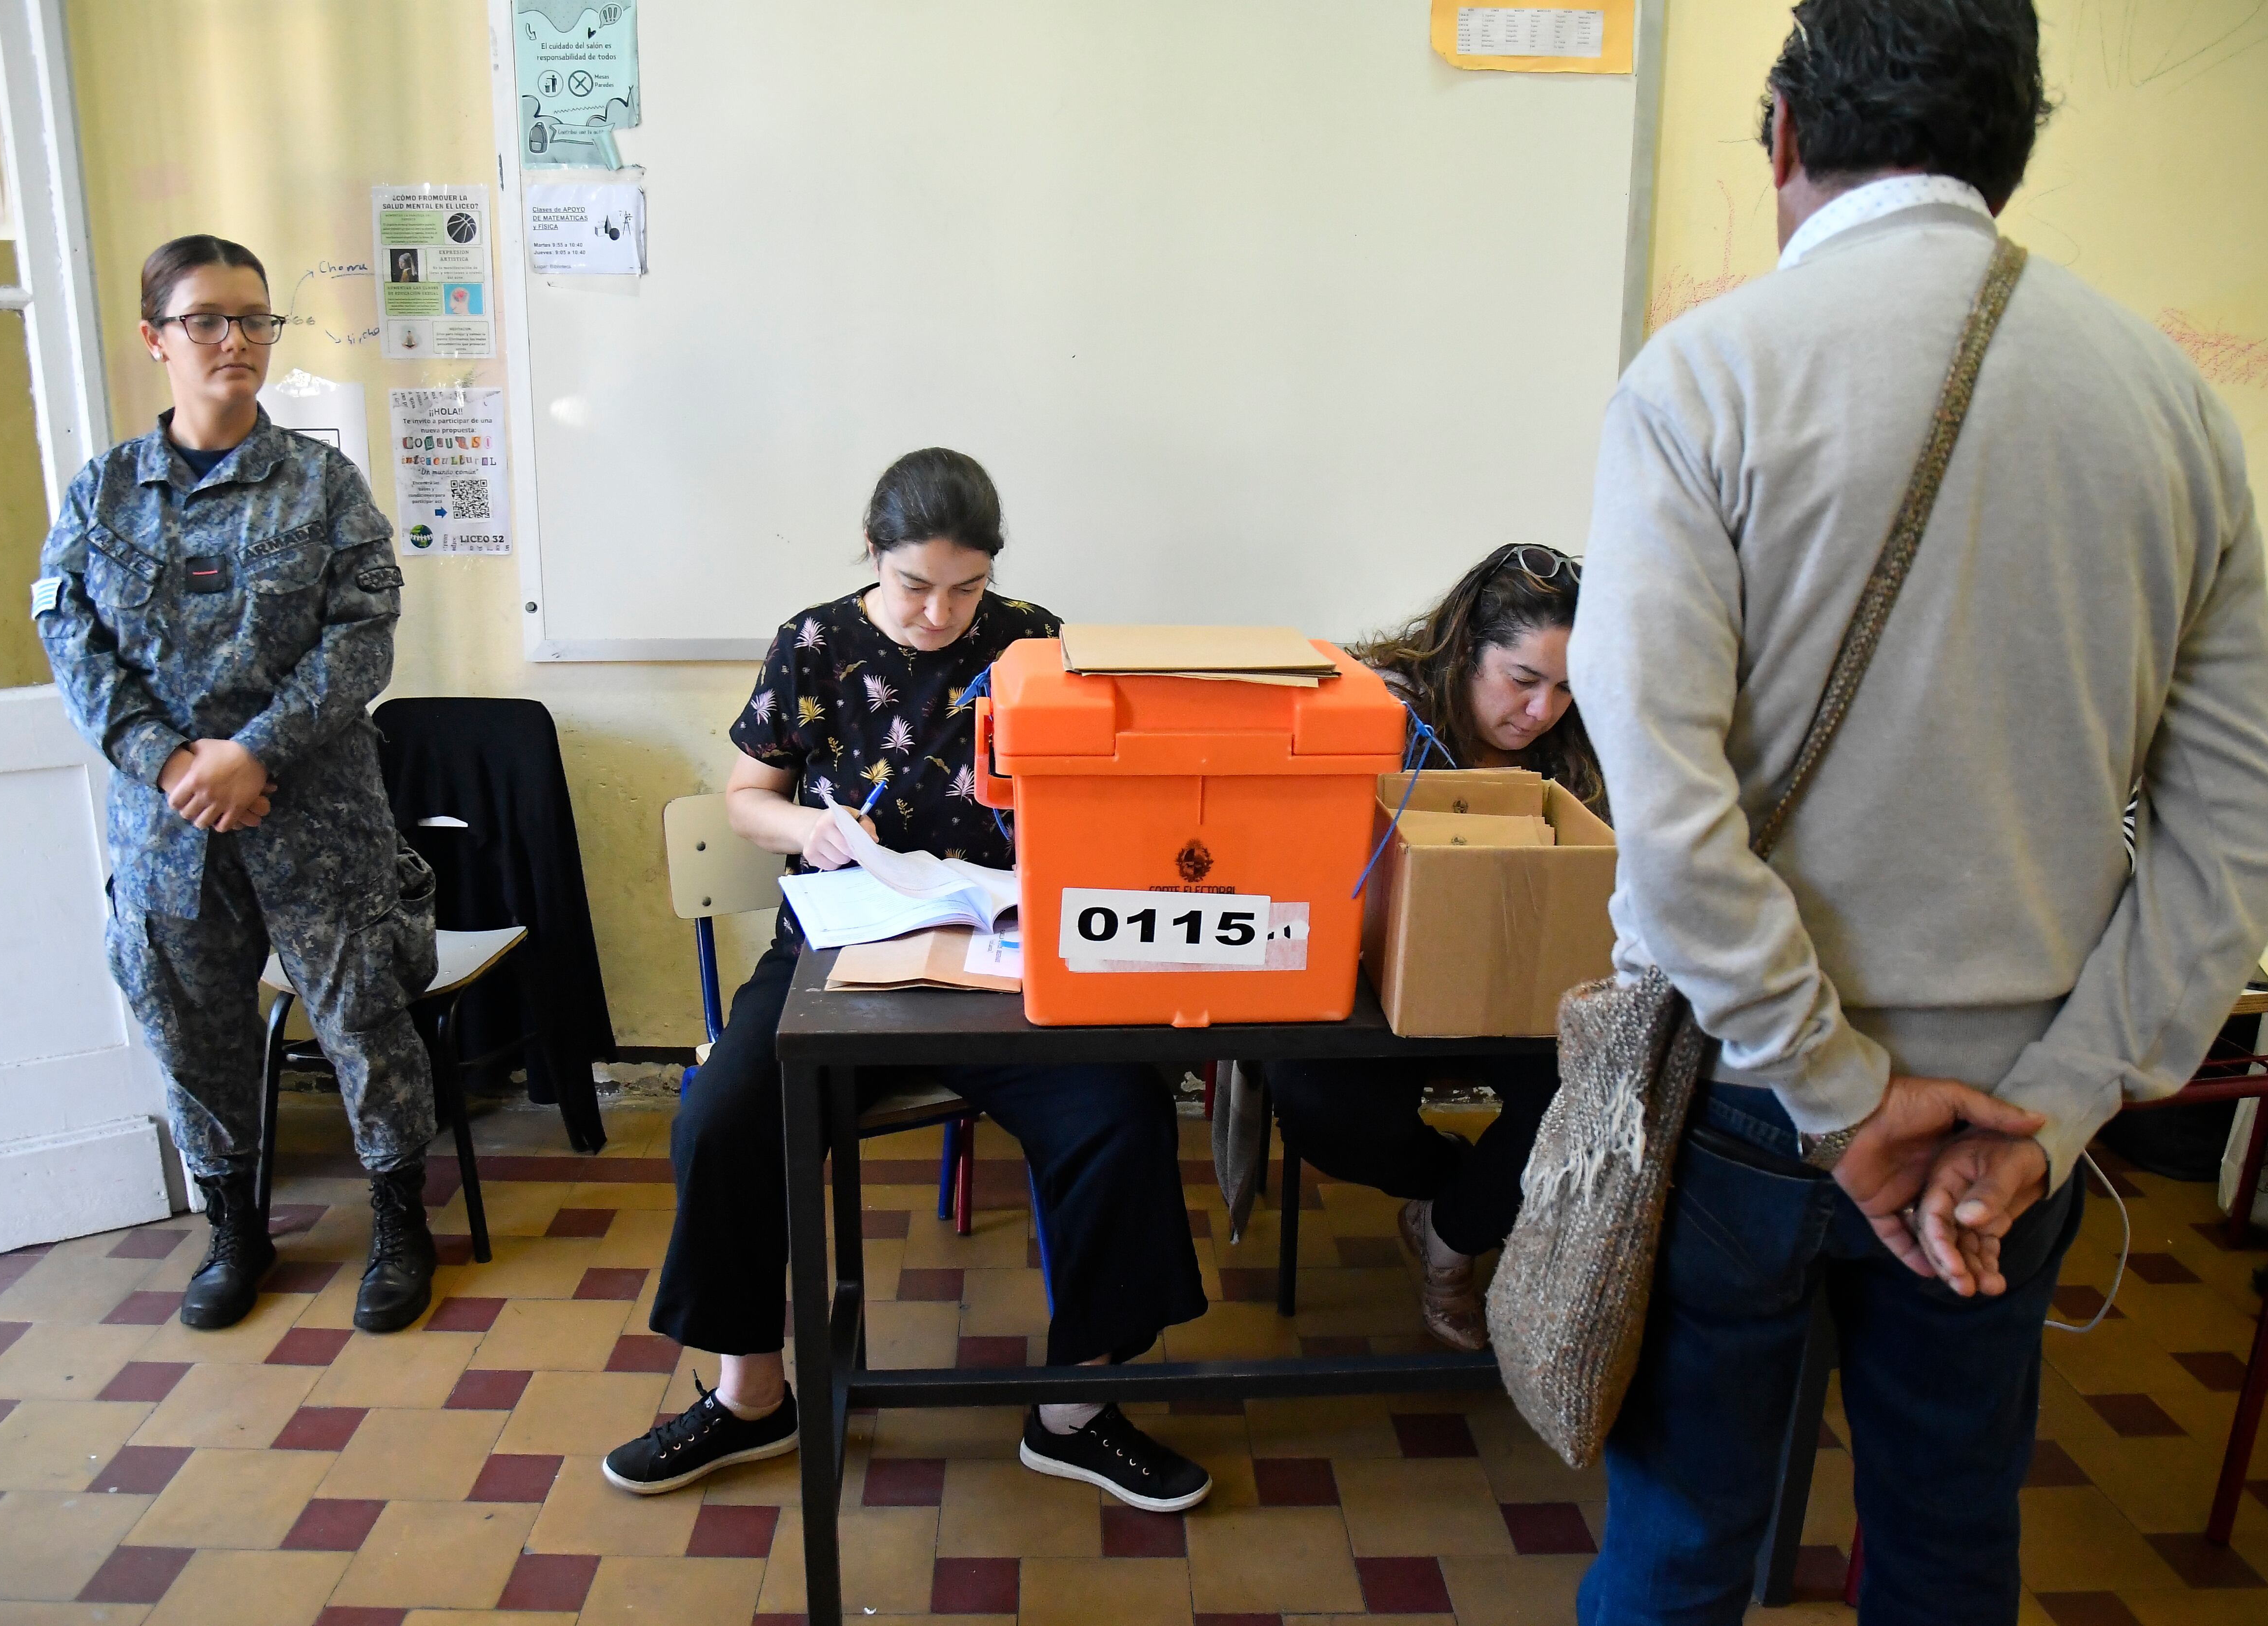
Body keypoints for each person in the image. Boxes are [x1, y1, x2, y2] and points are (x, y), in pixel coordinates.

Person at [1565, 4, 2268, 1621]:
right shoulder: (2170, 406)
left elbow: (1668, 804)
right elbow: (2248, 816)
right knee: (1953, 1547)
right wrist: (2066, 1099)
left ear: (1780, 135)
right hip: (2006, 1129)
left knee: (1683, 1545)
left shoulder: (1707, 376)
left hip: (1750, 1099)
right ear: (2012, 149)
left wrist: (1839, 1097)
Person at [601, 448, 1214, 1511]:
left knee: (1121, 1110)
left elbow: (1092, 788)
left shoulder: (1035, 638)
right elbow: (748, 797)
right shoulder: (814, 642)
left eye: (963, 586)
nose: (938, 612)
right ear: (871, 554)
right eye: (913, 585)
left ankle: (1077, 1409)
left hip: (1002, 951)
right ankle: (751, 1396)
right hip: (845, 951)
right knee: (725, 1116)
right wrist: (811, 829)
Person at [34, 235, 444, 1335]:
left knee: (363, 1016)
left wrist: (253, 752)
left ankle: (402, 1221)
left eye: (257, 319)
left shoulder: (320, 483)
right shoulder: (104, 492)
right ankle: (234, 1228)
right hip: (169, 823)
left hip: (317, 812)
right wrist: (175, 764)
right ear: (154, 339)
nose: (238, 341)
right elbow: (69, 637)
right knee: (191, 1025)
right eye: (210, 319)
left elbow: (364, 635)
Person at [1264, 544, 1600, 1350]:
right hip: (1370, 981)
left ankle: (1452, 1241)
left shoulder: (1583, 744)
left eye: (1567, 686)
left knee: (1589, 1087)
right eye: (1523, 679)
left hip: (1517, 983)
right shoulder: (1380, 709)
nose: (1543, 709)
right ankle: (1456, 1192)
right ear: (1466, 648)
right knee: (1319, 1102)